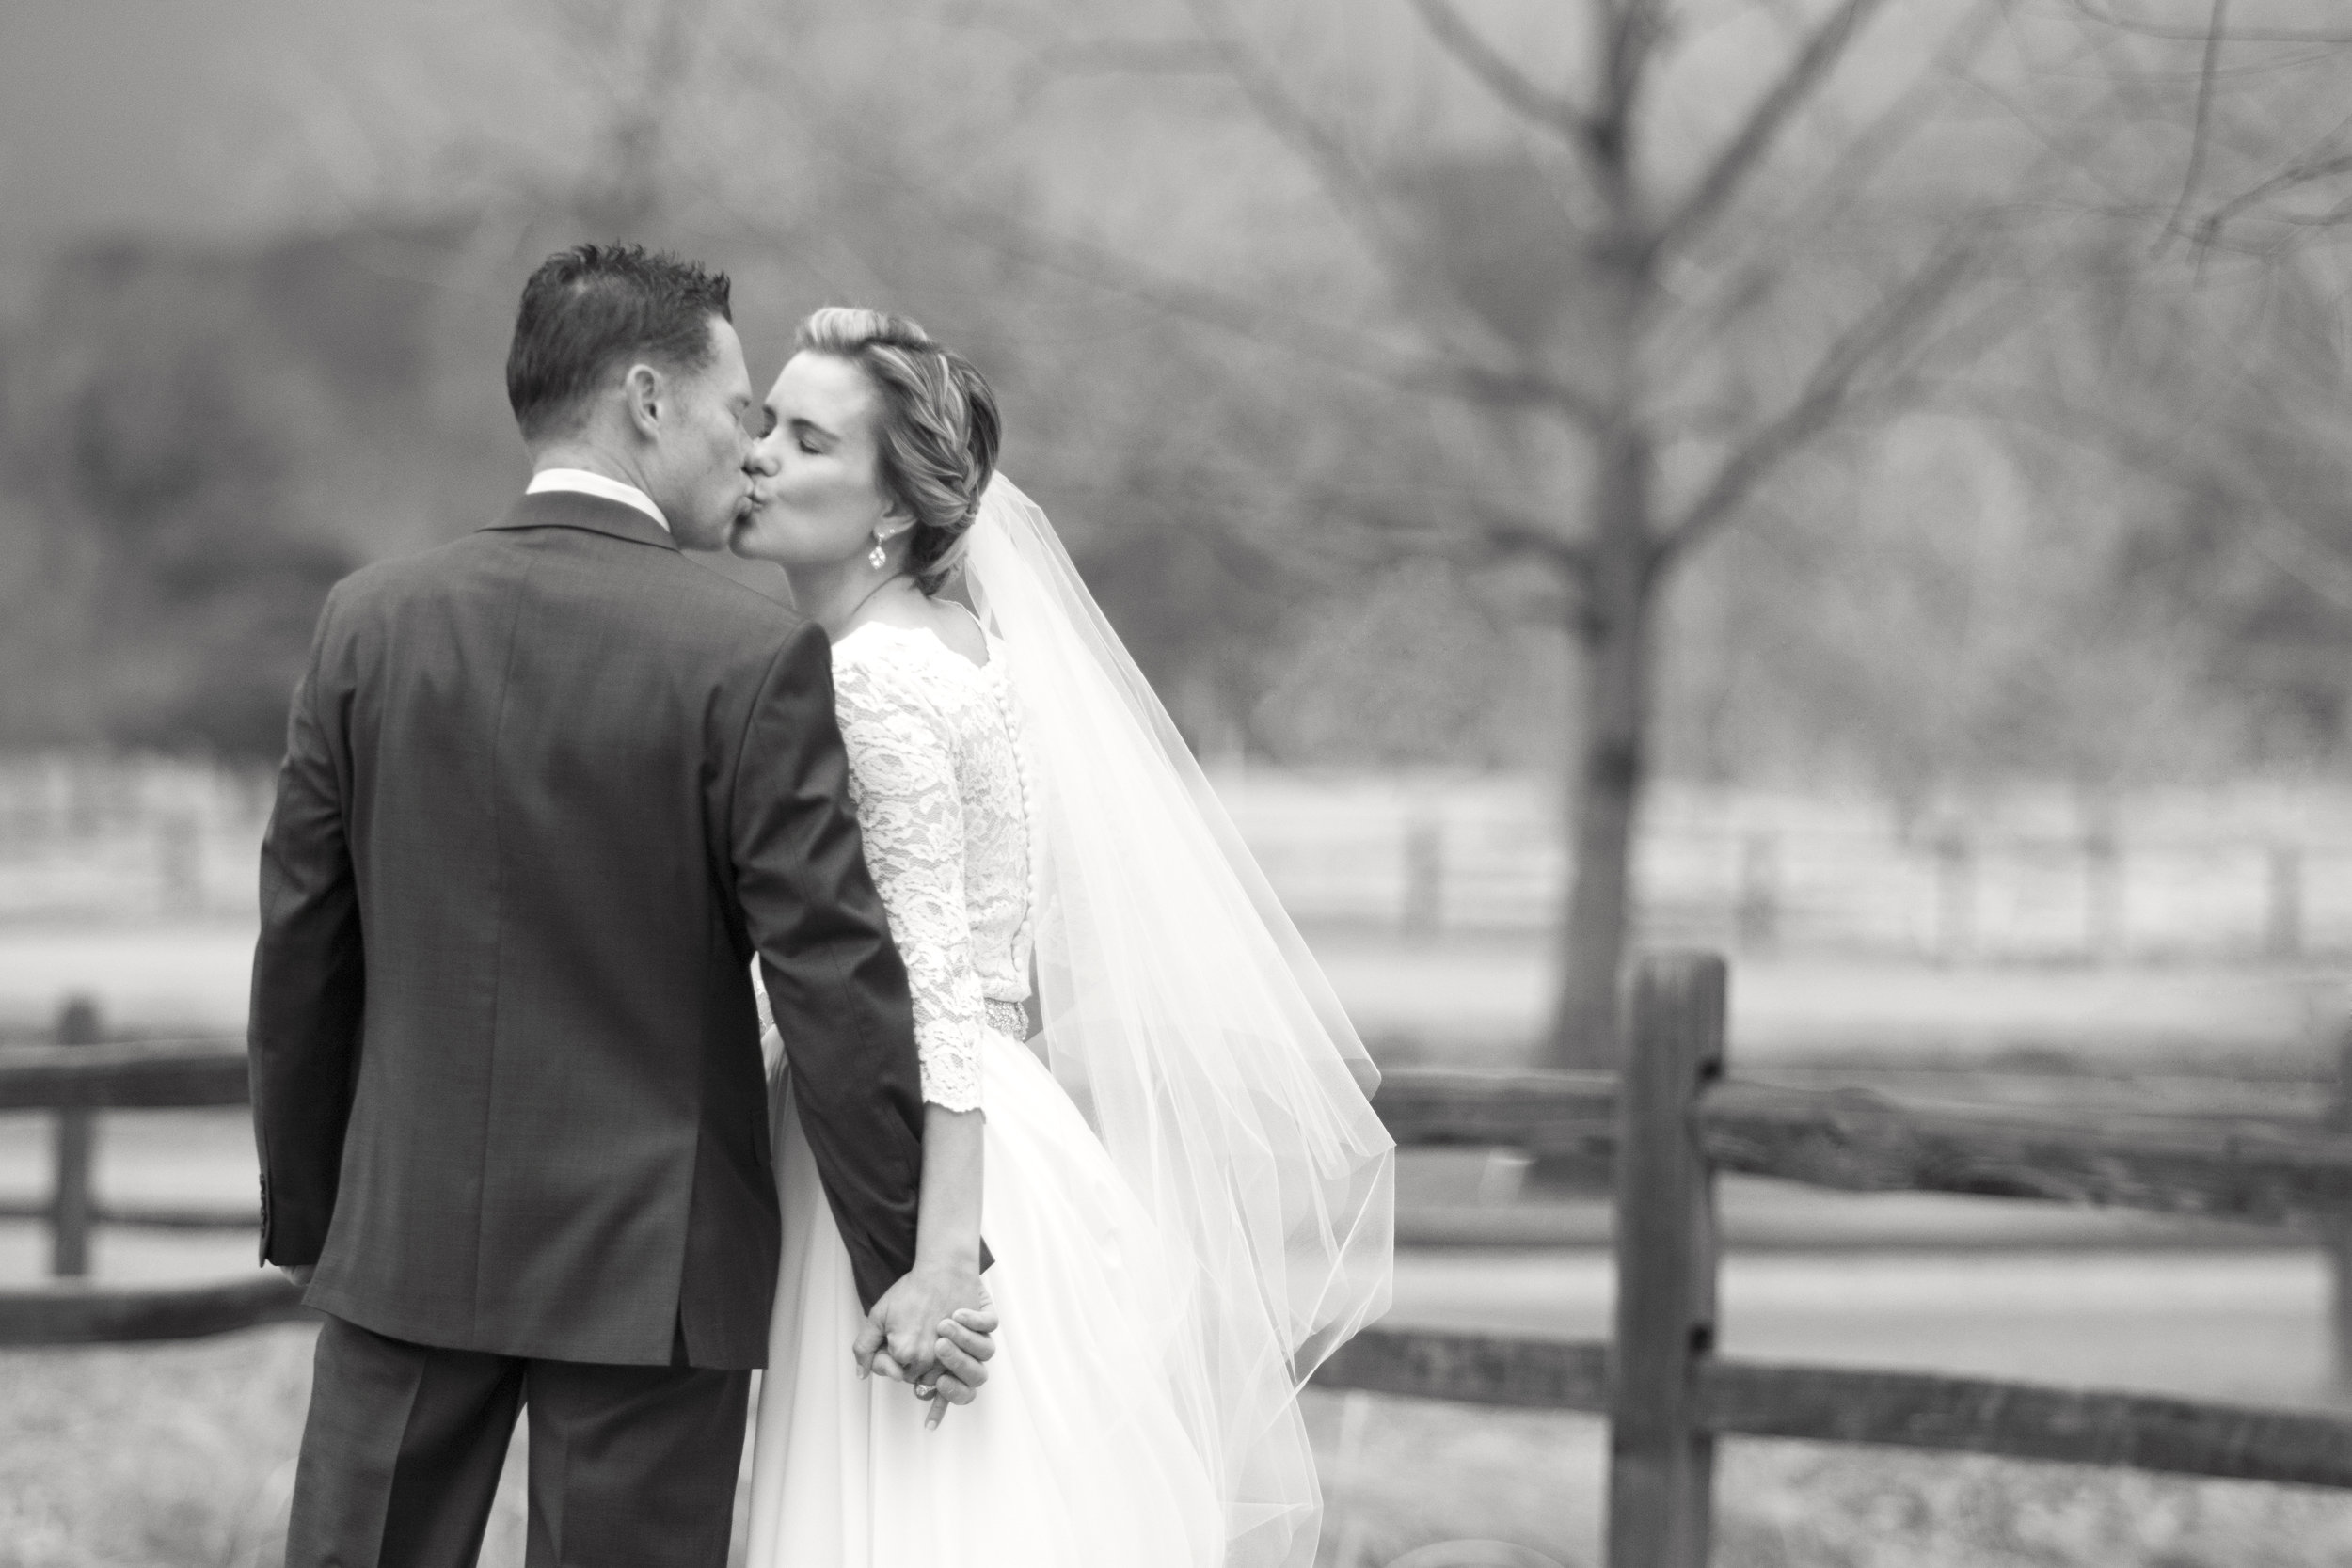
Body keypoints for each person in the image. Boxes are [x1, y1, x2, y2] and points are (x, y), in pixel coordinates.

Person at [246, 246, 994, 1568]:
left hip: (403, 1241)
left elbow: (306, 946)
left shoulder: (366, 624)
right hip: (653, 1269)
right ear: (646, 400)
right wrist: (901, 1262)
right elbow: (832, 974)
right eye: (734, 410)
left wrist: (313, 1215)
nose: (746, 446)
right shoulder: (749, 660)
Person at [730, 308, 1396, 1568]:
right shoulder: (965, 645)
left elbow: (936, 979)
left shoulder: (868, 678)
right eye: (761, 421)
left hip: (925, 1173)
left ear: (889, 511)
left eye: (806, 438)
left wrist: (937, 1264)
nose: (757, 453)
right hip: (1011, 1134)